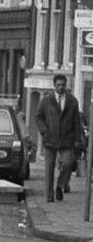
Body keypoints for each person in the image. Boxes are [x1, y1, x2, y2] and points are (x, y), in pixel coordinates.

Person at [37, 74, 82, 202]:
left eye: (63, 85)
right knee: (49, 168)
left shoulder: (72, 101)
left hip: (67, 139)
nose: (61, 87)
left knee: (68, 163)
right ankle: (49, 196)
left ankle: (60, 186)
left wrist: (77, 139)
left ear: (66, 85)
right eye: (58, 85)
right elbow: (38, 117)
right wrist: (44, 131)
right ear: (54, 85)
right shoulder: (46, 99)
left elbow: (76, 121)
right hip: (50, 138)